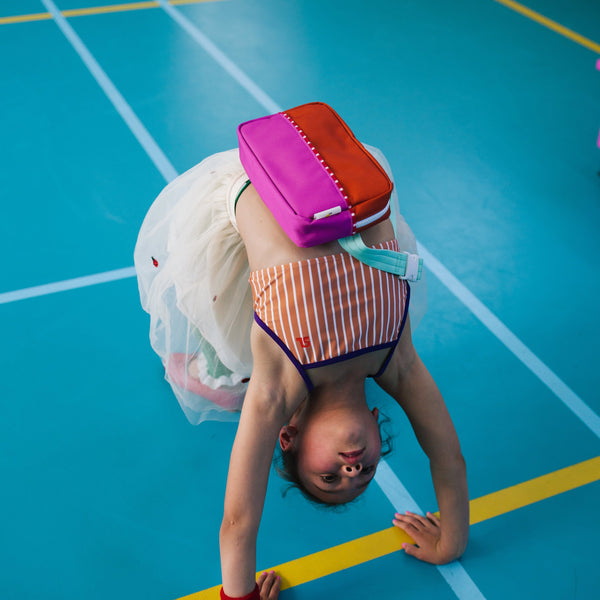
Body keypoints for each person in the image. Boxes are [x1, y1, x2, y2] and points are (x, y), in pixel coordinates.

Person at [134, 142, 468, 600]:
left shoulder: (276, 388)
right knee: (237, 332)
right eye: (367, 470)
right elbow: (448, 458)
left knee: (222, 314)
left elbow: (238, 521)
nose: (352, 471)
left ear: (287, 437)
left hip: (255, 180)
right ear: (375, 424)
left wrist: (244, 596)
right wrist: (450, 542)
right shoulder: (397, 361)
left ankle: (212, 371)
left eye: (329, 477)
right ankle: (222, 375)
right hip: (336, 168)